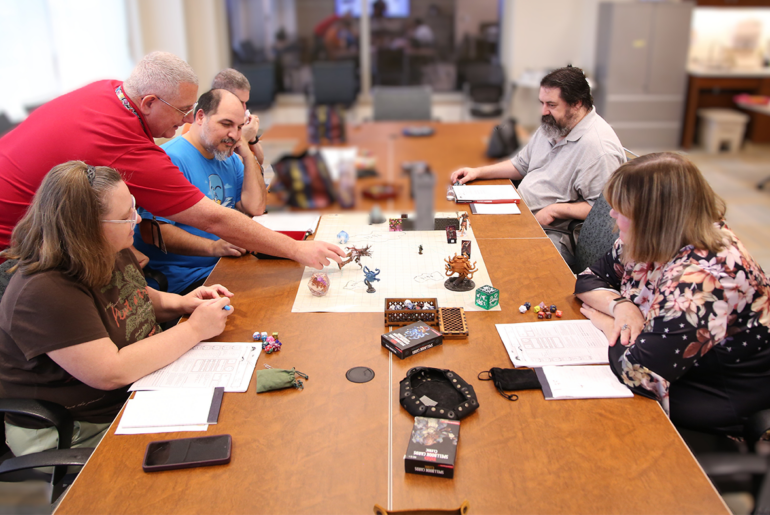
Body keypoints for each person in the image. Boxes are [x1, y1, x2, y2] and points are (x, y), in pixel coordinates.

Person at [0, 51, 344, 269]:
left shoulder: (109, 90)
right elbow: (212, 219)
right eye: (182, 111)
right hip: (12, 246)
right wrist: (297, 251)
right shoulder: (125, 145)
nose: (183, 121)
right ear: (148, 101)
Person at [0, 161, 235, 455]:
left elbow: (133, 296)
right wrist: (194, 329)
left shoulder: (106, 247)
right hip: (80, 425)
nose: (136, 220)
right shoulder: (44, 290)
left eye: (133, 208)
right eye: (125, 217)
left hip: (138, 389)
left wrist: (185, 302)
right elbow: (110, 371)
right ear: (86, 229)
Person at [574, 152, 770, 436]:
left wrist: (606, 324)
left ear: (654, 217)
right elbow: (588, 280)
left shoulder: (703, 278)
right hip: (669, 359)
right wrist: (621, 307)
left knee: (592, 421)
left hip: (713, 387)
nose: (612, 215)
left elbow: (639, 373)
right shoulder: (650, 238)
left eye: (622, 210)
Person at [450, 66, 624, 266]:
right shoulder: (555, 124)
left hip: (553, 231)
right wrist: (478, 172)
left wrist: (555, 210)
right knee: (467, 231)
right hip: (519, 212)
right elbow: (521, 164)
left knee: (498, 263)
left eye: (551, 104)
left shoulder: (599, 150)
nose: (543, 111)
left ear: (576, 104)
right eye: (542, 103)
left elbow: (600, 210)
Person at [134, 89, 265, 295]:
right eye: (226, 124)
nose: (234, 135)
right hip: (187, 278)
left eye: (239, 127)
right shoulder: (169, 160)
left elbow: (255, 207)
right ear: (201, 116)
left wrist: (248, 155)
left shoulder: (226, 155)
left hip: (225, 264)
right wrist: (214, 248)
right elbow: (154, 232)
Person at [182, 68, 264, 166]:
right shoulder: (198, 126)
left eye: (246, 102)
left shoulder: (242, 122)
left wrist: (252, 137)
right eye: (239, 101)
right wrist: (242, 138)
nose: (244, 108)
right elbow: (225, 168)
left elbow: (260, 162)